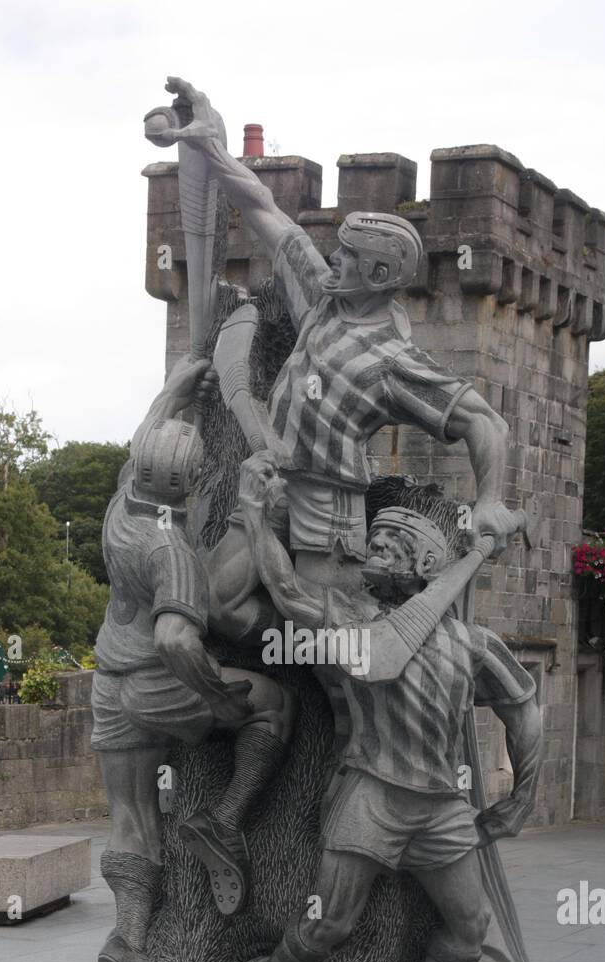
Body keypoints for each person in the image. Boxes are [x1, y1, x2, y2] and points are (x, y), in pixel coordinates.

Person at [220, 454, 542, 962]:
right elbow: (287, 592)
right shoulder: (352, 624)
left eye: (397, 542)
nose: (378, 547)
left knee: (470, 925)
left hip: (441, 808)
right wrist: (254, 517)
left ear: (430, 568)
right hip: (367, 793)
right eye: (379, 536)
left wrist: (524, 792)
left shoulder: (471, 644)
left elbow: (524, 707)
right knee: (329, 924)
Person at [146, 78, 516, 590]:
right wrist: (210, 145)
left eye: (348, 256)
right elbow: (261, 208)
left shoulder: (393, 360)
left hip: (328, 506)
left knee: (325, 642)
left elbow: (485, 422)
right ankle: (261, 664)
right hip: (269, 480)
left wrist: (490, 500)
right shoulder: (324, 295)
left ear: (380, 277)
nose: (334, 259)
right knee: (215, 601)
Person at [91, 357, 294, 962]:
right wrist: (216, 695)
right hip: (157, 681)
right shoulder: (171, 550)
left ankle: (132, 941)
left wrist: (179, 386)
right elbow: (179, 636)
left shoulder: (122, 508)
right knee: (269, 709)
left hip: (108, 683)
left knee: (131, 816)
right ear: (197, 482)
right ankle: (225, 821)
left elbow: (149, 430)